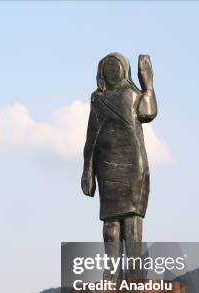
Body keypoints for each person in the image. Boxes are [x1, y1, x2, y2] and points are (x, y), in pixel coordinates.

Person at [81, 52, 157, 279]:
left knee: (132, 221)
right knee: (110, 223)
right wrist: (87, 170)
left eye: (116, 67)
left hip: (133, 165)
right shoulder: (98, 99)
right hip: (106, 167)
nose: (112, 72)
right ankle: (112, 273)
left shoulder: (133, 94)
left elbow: (148, 112)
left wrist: (149, 84)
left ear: (124, 70)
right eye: (108, 68)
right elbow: (91, 136)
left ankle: (134, 273)